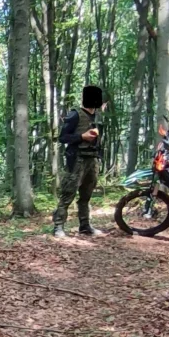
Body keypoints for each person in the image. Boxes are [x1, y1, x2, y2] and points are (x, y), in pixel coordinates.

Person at [53, 85, 105, 238]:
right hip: (77, 158)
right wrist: (81, 137)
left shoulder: (97, 117)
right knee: (68, 193)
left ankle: (85, 225)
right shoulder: (74, 115)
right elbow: (62, 137)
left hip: (92, 158)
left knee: (86, 195)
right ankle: (58, 226)